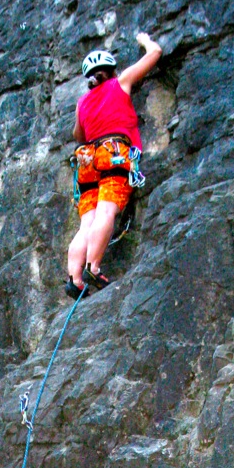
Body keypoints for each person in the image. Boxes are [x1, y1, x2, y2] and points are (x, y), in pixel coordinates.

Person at [66, 32, 162, 298]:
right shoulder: (120, 83)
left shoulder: (82, 103)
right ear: (111, 71)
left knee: (87, 222)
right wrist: (145, 40)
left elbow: (78, 135)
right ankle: (93, 268)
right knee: (107, 211)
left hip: (87, 160)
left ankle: (74, 279)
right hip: (114, 152)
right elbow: (155, 54)